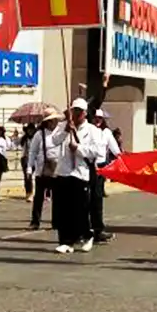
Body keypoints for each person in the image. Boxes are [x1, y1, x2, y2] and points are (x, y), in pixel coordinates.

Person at [50, 98, 98, 254]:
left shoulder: (92, 130)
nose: (76, 114)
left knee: (80, 209)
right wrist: (65, 131)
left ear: (84, 113)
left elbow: (96, 152)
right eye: (74, 110)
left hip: (80, 173)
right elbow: (54, 140)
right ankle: (65, 241)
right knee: (63, 210)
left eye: (79, 111)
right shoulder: (63, 126)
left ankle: (87, 235)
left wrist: (77, 148)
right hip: (63, 171)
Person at [89, 108, 121, 244]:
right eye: (95, 118)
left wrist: (124, 159)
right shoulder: (88, 130)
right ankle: (85, 229)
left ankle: (97, 230)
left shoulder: (106, 133)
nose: (97, 120)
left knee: (97, 199)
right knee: (85, 199)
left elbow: (115, 150)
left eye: (100, 118)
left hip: (101, 167)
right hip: (88, 165)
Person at [27, 109, 61, 230]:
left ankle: (56, 222)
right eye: (51, 120)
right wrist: (29, 168)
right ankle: (35, 221)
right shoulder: (39, 134)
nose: (54, 122)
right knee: (39, 197)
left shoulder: (60, 132)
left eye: (55, 120)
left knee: (57, 198)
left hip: (57, 169)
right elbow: (32, 152)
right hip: (42, 169)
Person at [20, 124, 37, 203]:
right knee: (27, 177)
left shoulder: (37, 138)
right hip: (26, 159)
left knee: (39, 176)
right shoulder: (24, 139)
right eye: (29, 130)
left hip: (36, 159)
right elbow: (16, 145)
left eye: (32, 129)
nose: (30, 131)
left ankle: (43, 193)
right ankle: (29, 193)